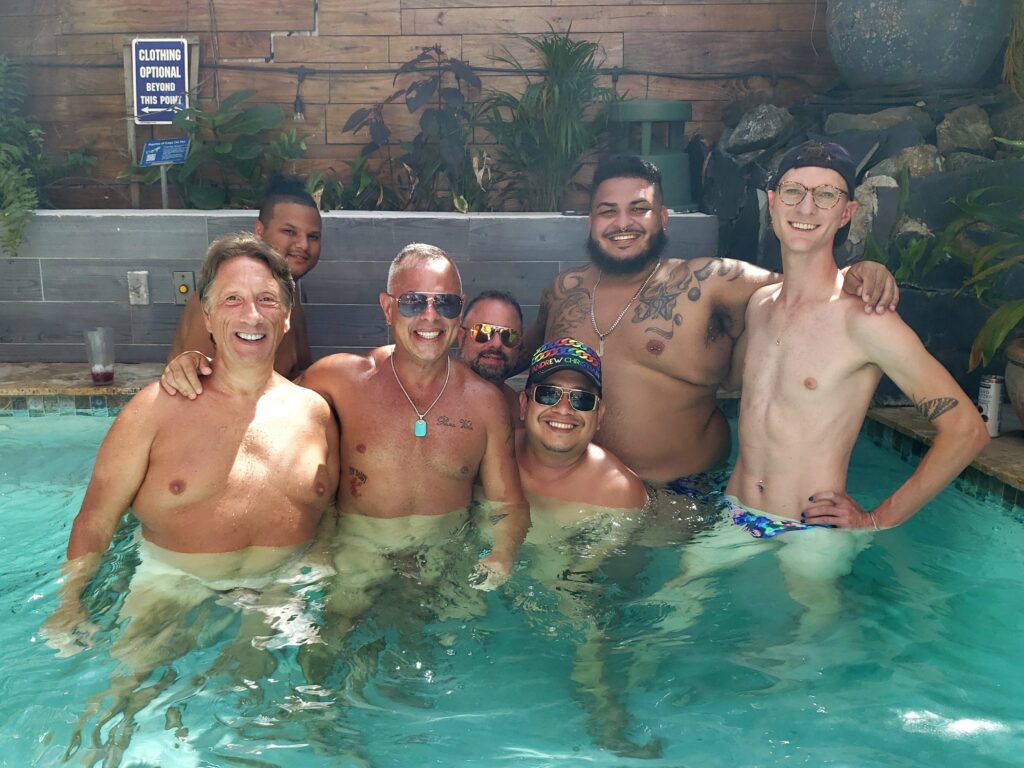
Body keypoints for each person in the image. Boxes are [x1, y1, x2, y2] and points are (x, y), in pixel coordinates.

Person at [648, 142, 990, 636]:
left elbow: (966, 430)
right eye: (793, 191)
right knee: (663, 621)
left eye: (826, 195)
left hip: (811, 529)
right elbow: (734, 383)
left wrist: (877, 521)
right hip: (739, 513)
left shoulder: (866, 321)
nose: (806, 208)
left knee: (808, 658)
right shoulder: (761, 306)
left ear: (846, 212)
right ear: (772, 202)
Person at [42, 232, 339, 662]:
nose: (252, 315)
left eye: (267, 300)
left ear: (287, 316)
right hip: (172, 581)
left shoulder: (315, 413)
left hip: (283, 586)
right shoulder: (154, 409)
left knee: (288, 695)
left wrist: (320, 577)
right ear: (209, 316)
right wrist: (69, 604)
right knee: (130, 693)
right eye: (233, 300)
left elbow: (329, 514)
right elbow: (96, 519)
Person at [522, 154, 901, 492]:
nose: (623, 223)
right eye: (608, 211)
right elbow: (518, 357)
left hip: (683, 493)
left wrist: (857, 272)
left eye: (639, 209)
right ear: (591, 221)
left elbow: (806, 288)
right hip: (577, 488)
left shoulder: (708, 281)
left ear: (663, 217)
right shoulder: (562, 291)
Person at [513, 338, 657, 757]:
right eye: (548, 394)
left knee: (586, 626)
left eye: (581, 399)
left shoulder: (619, 492)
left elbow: (584, 579)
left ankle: (605, 720)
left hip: (562, 591)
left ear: (599, 414)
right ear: (524, 403)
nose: (563, 409)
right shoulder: (495, 455)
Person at [164, 174, 322, 388]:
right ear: (259, 231)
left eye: (313, 236)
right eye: (289, 231)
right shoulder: (217, 305)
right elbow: (194, 390)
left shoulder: (287, 294)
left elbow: (300, 374)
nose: (303, 244)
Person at [457, 289, 525, 425]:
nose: (497, 344)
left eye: (508, 336)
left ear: (519, 346)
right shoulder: (429, 395)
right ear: (461, 337)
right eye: (483, 332)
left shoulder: (522, 415)